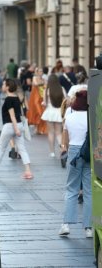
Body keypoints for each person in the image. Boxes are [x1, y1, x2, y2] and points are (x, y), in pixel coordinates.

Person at [59, 90, 92, 238]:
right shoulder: (92, 118)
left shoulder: (69, 118)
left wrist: (64, 149)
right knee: (88, 190)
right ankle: (88, 227)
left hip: (74, 151)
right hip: (88, 152)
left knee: (71, 188)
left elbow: (64, 141)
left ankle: (66, 224)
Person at [0, 79, 33, 180]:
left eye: (3, 84)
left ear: (7, 87)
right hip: (19, 125)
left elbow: (12, 115)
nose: (2, 86)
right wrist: (18, 129)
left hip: (10, 126)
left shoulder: (8, 99)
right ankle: (28, 171)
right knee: (22, 149)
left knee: (1, 148)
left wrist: (16, 130)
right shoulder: (16, 98)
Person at [41, 74, 66, 157]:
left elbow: (44, 103)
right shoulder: (62, 89)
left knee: (51, 132)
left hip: (49, 112)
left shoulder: (47, 90)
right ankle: (62, 148)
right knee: (59, 133)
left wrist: (44, 104)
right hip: (59, 112)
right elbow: (65, 101)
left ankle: (52, 152)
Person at [26, 67, 47, 135]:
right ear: (37, 72)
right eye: (40, 71)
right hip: (36, 98)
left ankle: (40, 128)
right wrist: (43, 83)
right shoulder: (35, 78)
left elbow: (46, 86)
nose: (41, 72)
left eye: (42, 71)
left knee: (42, 113)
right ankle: (37, 127)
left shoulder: (44, 79)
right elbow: (35, 84)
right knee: (38, 112)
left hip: (42, 98)